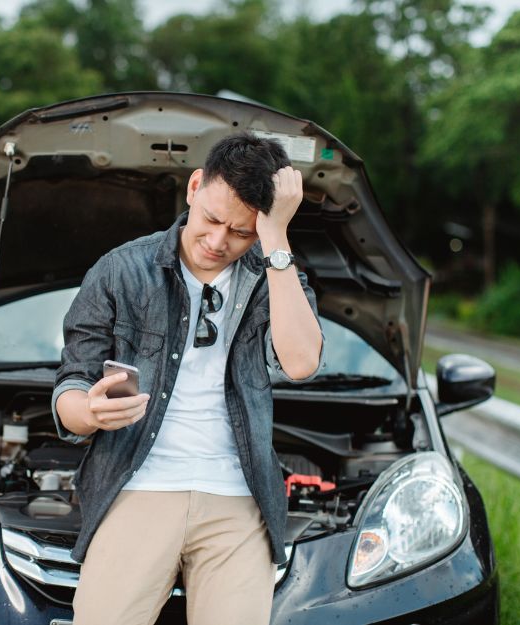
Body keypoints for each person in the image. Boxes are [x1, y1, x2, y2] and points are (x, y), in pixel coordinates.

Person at [51, 133, 325, 625]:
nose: (219, 242)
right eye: (213, 220)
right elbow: (71, 387)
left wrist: (276, 241)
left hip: (239, 495)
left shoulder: (273, 275)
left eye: (241, 233)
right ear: (194, 186)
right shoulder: (121, 270)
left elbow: (302, 362)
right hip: (138, 485)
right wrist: (90, 411)